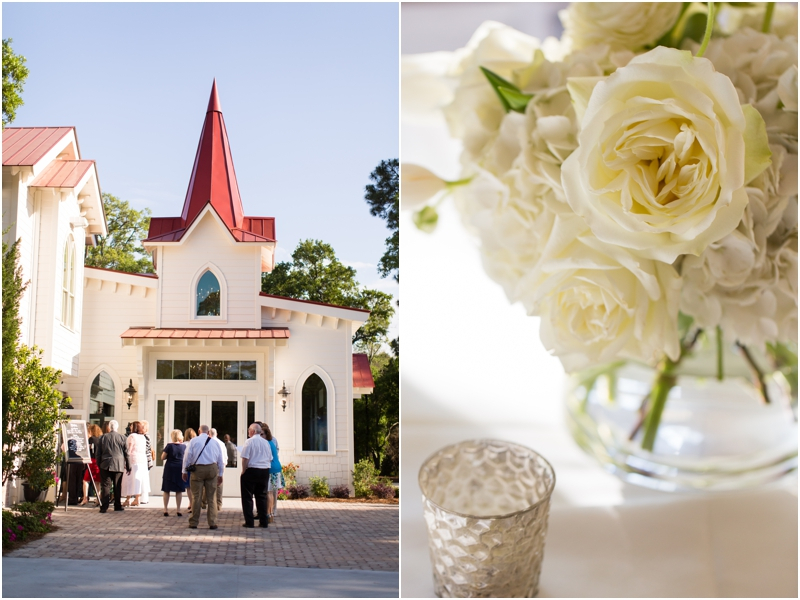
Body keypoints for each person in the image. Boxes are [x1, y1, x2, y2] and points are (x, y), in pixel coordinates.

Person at [182, 424, 225, 530]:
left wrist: (184, 471)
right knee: (212, 496)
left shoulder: (193, 441)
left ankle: (194, 522)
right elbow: (220, 459)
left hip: (198, 469)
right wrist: (221, 474)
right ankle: (212, 522)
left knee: (196, 496)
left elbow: (187, 456)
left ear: (199, 431)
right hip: (212, 468)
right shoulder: (215, 442)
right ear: (208, 432)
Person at [240, 422, 272, 529]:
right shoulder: (266, 443)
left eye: (249, 430)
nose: (248, 432)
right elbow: (270, 458)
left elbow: (245, 458)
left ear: (253, 431)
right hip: (264, 471)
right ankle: (263, 521)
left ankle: (249, 522)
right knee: (262, 496)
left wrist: (243, 471)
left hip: (252, 470)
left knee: (247, 497)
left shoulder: (249, 442)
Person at [96, 420, 130, 513]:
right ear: (117, 427)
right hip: (118, 464)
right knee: (117, 485)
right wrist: (128, 465)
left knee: (105, 486)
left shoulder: (102, 438)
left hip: (105, 464)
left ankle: (104, 507)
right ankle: (117, 505)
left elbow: (98, 453)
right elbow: (126, 453)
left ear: (109, 427)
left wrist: (99, 464)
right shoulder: (122, 438)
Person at [121, 421, 150, 507]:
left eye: (131, 426)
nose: (130, 427)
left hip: (133, 460)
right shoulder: (143, 437)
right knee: (139, 479)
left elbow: (129, 449)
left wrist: (125, 459)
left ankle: (128, 499)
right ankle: (137, 499)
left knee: (129, 479)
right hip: (142, 460)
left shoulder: (132, 436)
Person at [161, 429, 186, 517]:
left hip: (170, 468)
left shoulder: (169, 446)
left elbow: (162, 457)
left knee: (166, 489)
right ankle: (178, 509)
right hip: (179, 468)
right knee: (178, 490)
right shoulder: (184, 447)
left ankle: (165, 509)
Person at [201, 428, 227, 513]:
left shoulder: (209, 442)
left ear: (209, 434)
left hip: (212, 465)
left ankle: (204, 503)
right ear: (217, 434)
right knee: (219, 485)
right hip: (221, 465)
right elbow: (225, 456)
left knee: (207, 484)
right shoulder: (221, 443)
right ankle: (219, 504)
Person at [262, 423, 283, 523]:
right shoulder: (271, 442)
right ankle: (271, 513)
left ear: (266, 434)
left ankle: (268, 514)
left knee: (269, 492)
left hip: (271, 469)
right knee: (271, 492)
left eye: (262, 434)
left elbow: (267, 457)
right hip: (276, 468)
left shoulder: (266, 443)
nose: (260, 436)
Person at [79, 424, 103, 506]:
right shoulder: (100, 439)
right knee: (97, 482)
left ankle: (85, 498)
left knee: (85, 480)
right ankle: (98, 499)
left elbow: (88, 449)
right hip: (98, 462)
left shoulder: (91, 439)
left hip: (92, 461)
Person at [140, 420, 155, 504]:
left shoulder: (146, 436)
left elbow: (144, 448)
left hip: (146, 460)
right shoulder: (144, 436)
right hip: (146, 459)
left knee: (144, 478)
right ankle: (143, 497)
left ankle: (144, 497)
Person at [183, 428, 197, 512]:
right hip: (196, 466)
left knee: (189, 487)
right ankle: (193, 503)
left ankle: (191, 503)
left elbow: (185, 458)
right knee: (195, 487)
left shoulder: (184, 444)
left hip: (188, 467)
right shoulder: (196, 444)